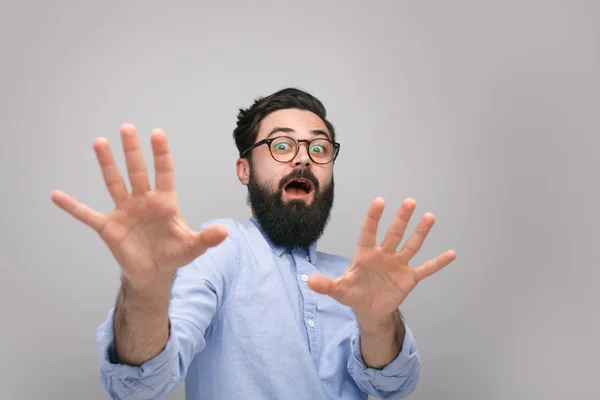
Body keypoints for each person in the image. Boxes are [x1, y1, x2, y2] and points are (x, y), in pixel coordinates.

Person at [51, 88, 456, 399]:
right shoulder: (221, 251)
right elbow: (137, 386)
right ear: (245, 169)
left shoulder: (352, 280)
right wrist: (145, 292)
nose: (303, 159)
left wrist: (379, 320)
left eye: (319, 148)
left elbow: (395, 385)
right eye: (281, 145)